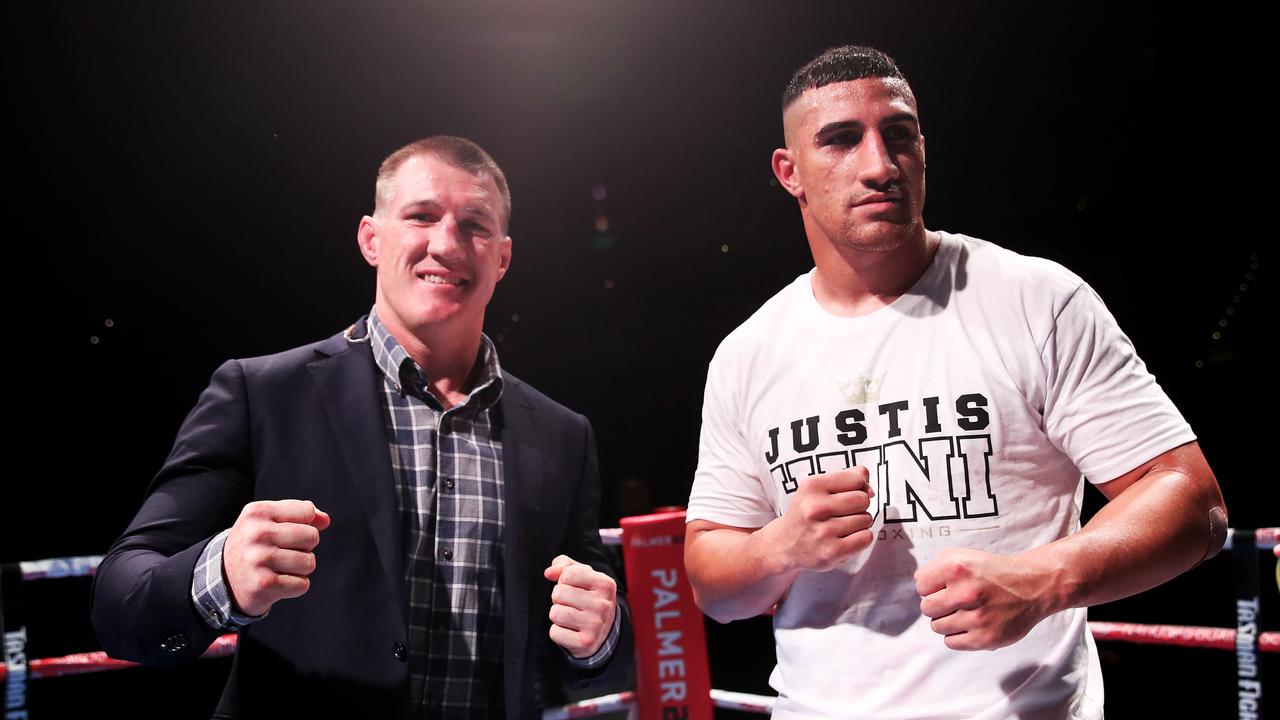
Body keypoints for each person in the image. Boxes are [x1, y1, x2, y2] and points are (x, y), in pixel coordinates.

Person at [683, 46, 1226, 719]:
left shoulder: (1036, 301)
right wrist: (781, 545)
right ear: (790, 172)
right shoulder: (749, 353)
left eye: (899, 136)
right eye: (843, 140)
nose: (880, 165)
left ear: (922, 149)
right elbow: (714, 583)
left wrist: (1044, 580)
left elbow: (1193, 504)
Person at [92, 136, 632, 719]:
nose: (446, 244)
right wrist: (219, 574)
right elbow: (120, 601)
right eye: (422, 216)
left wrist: (602, 636)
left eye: (474, 225)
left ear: (501, 257)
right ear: (371, 239)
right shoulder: (264, 394)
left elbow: (596, 637)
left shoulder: (562, 434)